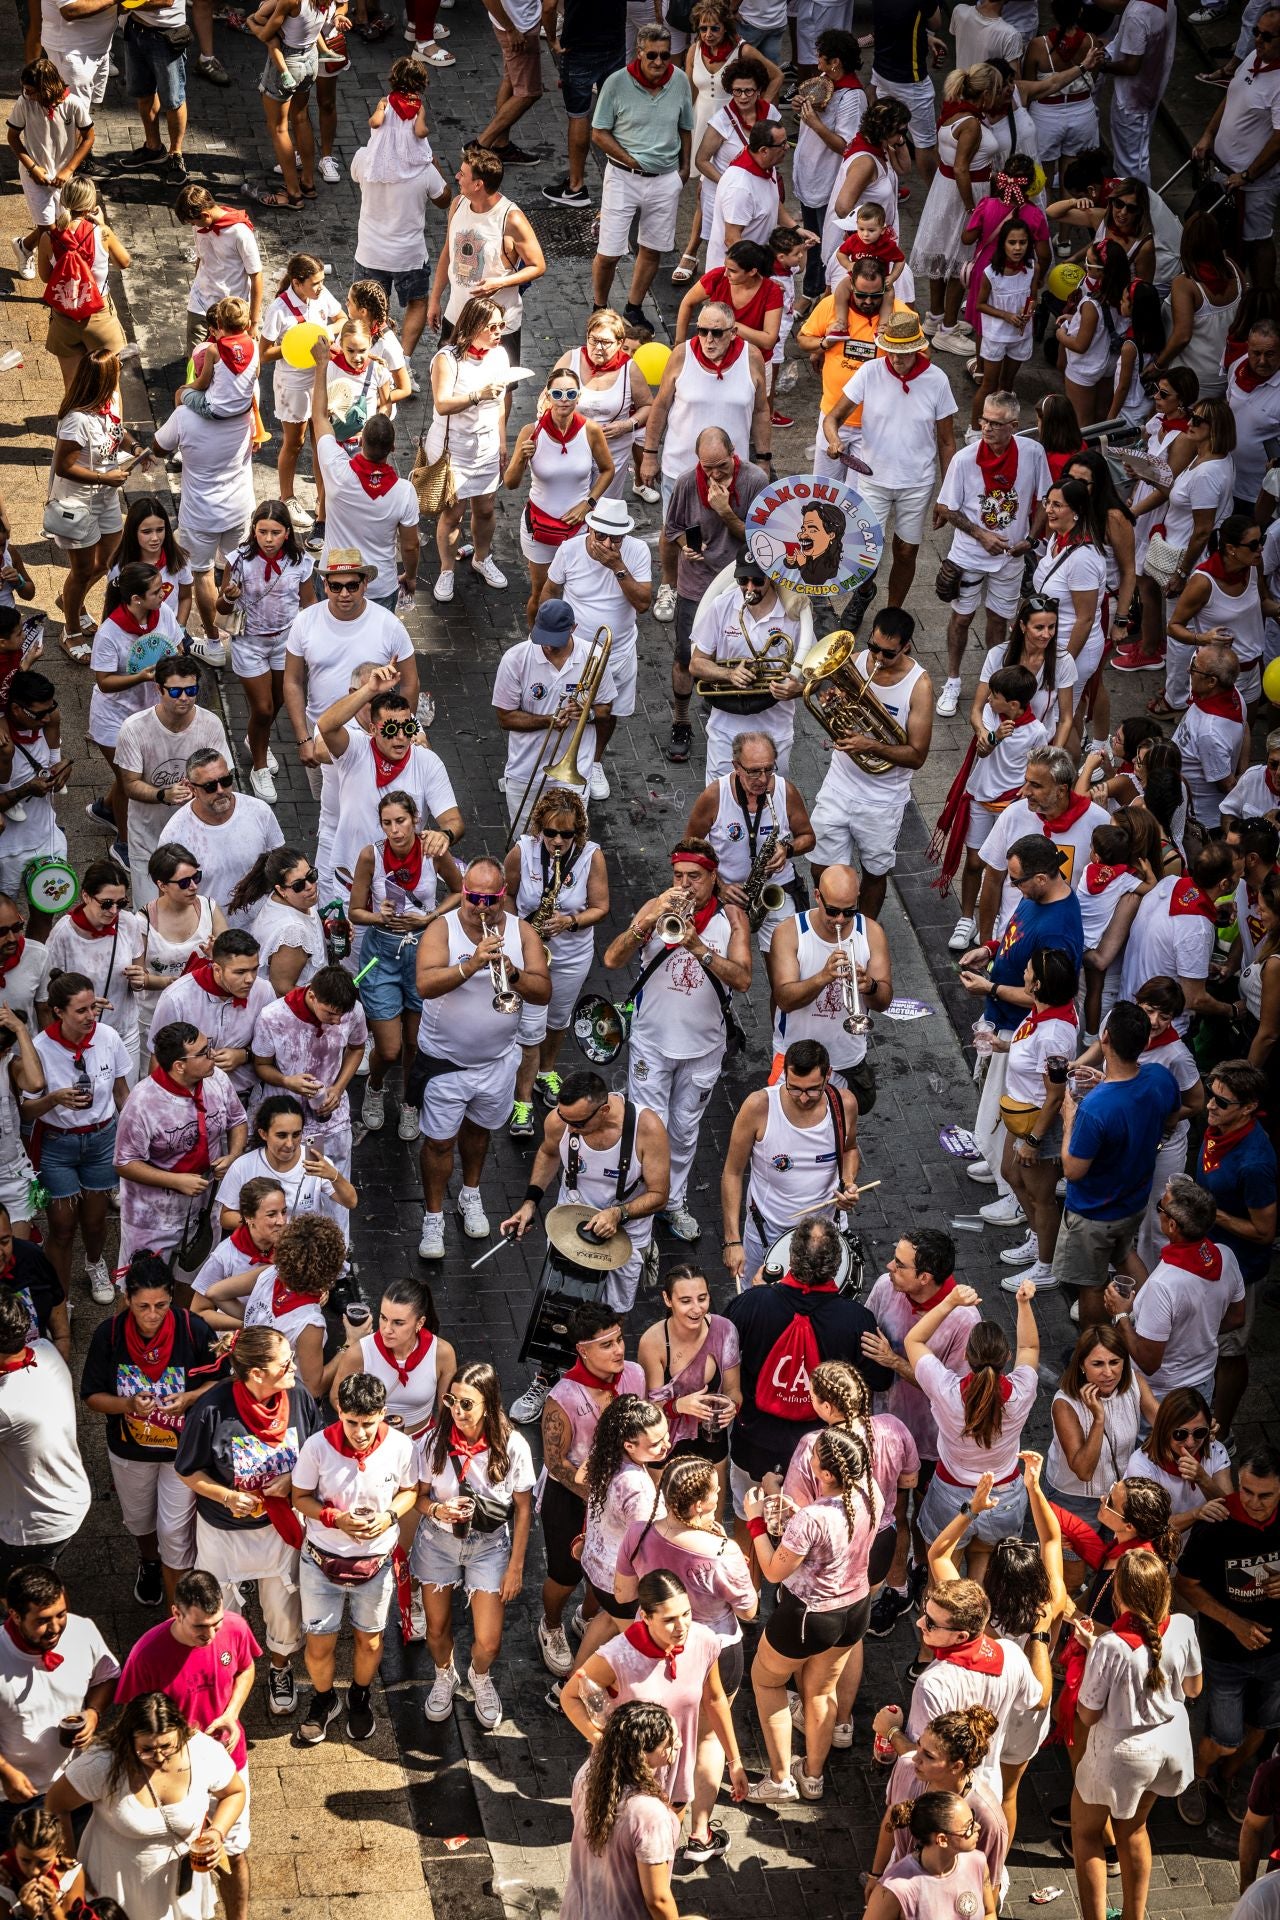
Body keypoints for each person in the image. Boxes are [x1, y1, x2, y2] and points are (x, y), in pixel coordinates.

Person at [601, 839, 752, 1242]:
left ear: (713, 877)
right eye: (679, 876)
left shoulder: (731, 918)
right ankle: (640, 1204)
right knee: (650, 1127)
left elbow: (743, 978)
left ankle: (673, 1201)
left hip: (704, 1048)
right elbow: (612, 960)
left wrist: (699, 948)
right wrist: (646, 923)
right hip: (652, 1042)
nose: (685, 885)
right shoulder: (656, 907)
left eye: (695, 878)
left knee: (685, 1131)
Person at [175, 1324, 324, 1717]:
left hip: (280, 1528)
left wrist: (292, 1480)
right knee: (220, 1606)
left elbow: (317, 1452)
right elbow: (187, 1470)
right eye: (285, 1361)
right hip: (223, 1531)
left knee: (282, 1603)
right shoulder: (212, 1409)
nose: (294, 1366)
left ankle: (279, 1668)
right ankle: (228, 1672)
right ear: (257, 1374)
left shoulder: (300, 1397)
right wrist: (227, 1496)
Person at [413, 855, 551, 1260]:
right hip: (445, 1063)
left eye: (489, 899)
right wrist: (471, 964)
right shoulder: (444, 929)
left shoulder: (522, 932)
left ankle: (471, 1193)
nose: (480, 907)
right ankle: (433, 1216)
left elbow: (544, 991)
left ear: (503, 895)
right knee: (439, 1143)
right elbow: (424, 984)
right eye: (472, 897)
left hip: (496, 1062)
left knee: (479, 1132)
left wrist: (516, 975)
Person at [725, 1219, 893, 1549]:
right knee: (809, 1530)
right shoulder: (857, 1321)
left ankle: (750, 1591)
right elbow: (880, 1379)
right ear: (836, 1265)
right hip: (821, 1451)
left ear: (790, 1257)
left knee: (749, 1516)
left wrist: (759, 1291)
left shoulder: (750, 1305)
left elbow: (723, 1359)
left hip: (753, 1440)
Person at [741, 1427, 881, 1801]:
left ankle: (780, 1778)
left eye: (815, 1455)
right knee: (820, 1692)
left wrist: (755, 1520)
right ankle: (813, 1777)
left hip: (809, 1615)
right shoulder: (871, 1492)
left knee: (767, 1681)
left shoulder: (813, 1519)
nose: (809, 1458)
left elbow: (772, 1572)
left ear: (827, 1474)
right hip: (855, 1609)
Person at [114, 1569, 260, 1920]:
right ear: (175, 1613)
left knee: (233, 1851)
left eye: (216, 1623)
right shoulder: (147, 1654)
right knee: (174, 1855)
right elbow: (131, 1718)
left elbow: (245, 1667)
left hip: (228, 1763)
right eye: (200, 1627)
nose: (211, 1635)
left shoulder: (236, 1628)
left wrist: (232, 1713)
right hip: (174, 1775)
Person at [80, 1250, 217, 1606]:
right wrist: (127, 1405)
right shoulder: (108, 1335)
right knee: (139, 1520)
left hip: (181, 1454)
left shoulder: (193, 1329)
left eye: (161, 1305)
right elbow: (92, 1395)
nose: (152, 1315)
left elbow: (220, 1383)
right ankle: (149, 1561)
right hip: (129, 1451)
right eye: (143, 1306)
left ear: (173, 1297)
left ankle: (179, 1608)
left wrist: (188, 1398)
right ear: (127, 1300)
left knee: (175, 1530)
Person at [1071, 1548, 1201, 1920]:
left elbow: (1089, 1713)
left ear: (1119, 1595)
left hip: (1120, 1753)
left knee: (1086, 1832)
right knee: (1134, 1829)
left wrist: (1094, 1652)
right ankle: (1134, 1916)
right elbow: (1193, 1689)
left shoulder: (1111, 1645)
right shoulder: (1183, 1627)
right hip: (1169, 1745)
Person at [290, 1369, 417, 1744]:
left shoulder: (401, 1447)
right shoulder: (316, 1447)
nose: (360, 1432)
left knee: (371, 1641)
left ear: (382, 1413)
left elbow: (410, 1490)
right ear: (339, 1413)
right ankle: (325, 1698)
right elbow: (299, 1498)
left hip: (375, 1566)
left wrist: (390, 1516)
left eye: (368, 1423)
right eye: (351, 1422)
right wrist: (335, 1519)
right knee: (319, 1645)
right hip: (320, 1561)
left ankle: (359, 1696)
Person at [561, 1568, 748, 1816]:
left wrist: (735, 1763)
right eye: (669, 1620)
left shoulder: (704, 1642)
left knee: (665, 1847)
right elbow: (569, 1696)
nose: (682, 1626)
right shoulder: (617, 1657)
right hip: (626, 1780)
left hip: (676, 1777)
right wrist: (602, 1742)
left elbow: (715, 1700)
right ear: (645, 1617)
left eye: (686, 1614)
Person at [47, 1692, 246, 1920]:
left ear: (181, 1731)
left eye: (167, 1746)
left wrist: (217, 1832)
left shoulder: (202, 1751)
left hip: (182, 1885)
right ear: (128, 1739)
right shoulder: (103, 1764)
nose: (159, 1758)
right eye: (147, 1749)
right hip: (119, 1886)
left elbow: (234, 1792)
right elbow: (55, 1804)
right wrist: (70, 1867)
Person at [412, 1361, 534, 1730]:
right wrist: (438, 1509)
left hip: (490, 1545)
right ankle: (444, 1674)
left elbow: (524, 1510)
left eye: (468, 1404)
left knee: (490, 1641)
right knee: (435, 1630)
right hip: (437, 1541)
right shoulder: (433, 1442)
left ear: (489, 1404)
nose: (458, 1411)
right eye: (452, 1401)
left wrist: (515, 1566)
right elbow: (416, 1497)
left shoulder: (512, 1445)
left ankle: (479, 1676)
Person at [526, 1302, 646, 1665]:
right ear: (583, 1350)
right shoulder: (562, 1398)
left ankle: (589, 1616)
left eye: (620, 1339)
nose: (619, 1350)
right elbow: (556, 1462)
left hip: (619, 1493)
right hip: (572, 1495)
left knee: (610, 1570)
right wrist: (596, 1497)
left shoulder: (635, 1375)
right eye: (607, 1344)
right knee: (565, 1574)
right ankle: (550, 1625)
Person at [501, 1071, 669, 1315]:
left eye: (578, 1124)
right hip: (569, 1226)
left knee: (612, 1316)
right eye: (564, 1119)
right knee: (560, 1308)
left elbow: (659, 1194)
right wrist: (530, 1203)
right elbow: (549, 1153)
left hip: (627, 1234)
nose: (570, 1128)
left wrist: (618, 1213)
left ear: (603, 1110)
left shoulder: (647, 1129)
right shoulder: (561, 1121)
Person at [1054, 1001, 1181, 1319]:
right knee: (1125, 1252)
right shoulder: (1159, 1078)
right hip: (1133, 1201)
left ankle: (1094, 1346)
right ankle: (1159, 1315)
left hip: (1094, 1212)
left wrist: (1069, 1118)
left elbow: (1073, 1170)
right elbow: (1172, 1118)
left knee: (1092, 1285)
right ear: (1145, 1041)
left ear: (1105, 1037)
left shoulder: (1095, 1108)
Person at [1175, 1447, 1280, 1826]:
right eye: (1246, 1490)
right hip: (1225, 1654)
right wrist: (1233, 1622)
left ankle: (1228, 1780)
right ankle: (1198, 1779)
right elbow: (1186, 1584)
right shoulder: (1217, 1524)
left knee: (1262, 1726)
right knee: (1225, 1737)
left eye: (1265, 1495)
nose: (1253, 1502)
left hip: (1276, 1655)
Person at [903, 1281, 1038, 1574]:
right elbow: (1030, 1346)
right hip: (1004, 1496)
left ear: (967, 1357)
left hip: (951, 1494)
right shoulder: (1022, 1391)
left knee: (942, 1580)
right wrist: (1024, 1304)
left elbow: (913, 1341)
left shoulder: (946, 1390)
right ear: (1007, 1358)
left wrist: (950, 1302)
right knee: (984, 1571)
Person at [807, 608, 933, 921]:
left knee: (875, 872)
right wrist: (832, 705)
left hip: (882, 798)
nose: (877, 658)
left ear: (906, 647)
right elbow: (838, 704)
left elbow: (917, 755)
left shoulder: (920, 687)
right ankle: (830, 919)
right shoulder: (857, 661)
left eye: (887, 653)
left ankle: (863, 933)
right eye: (873, 647)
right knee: (821, 864)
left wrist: (871, 745)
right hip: (840, 783)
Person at [933, 393, 1052, 713]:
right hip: (969, 555)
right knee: (961, 618)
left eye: (996, 424)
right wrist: (981, 534)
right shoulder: (964, 459)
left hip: (1010, 558)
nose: (986, 427)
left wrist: (1030, 537)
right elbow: (945, 507)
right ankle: (953, 680)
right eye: (984, 420)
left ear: (1013, 426)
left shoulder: (1032, 453)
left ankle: (995, 682)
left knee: (999, 621)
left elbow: (1045, 498)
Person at [502, 791, 607, 1133]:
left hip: (571, 953)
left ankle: (546, 1071)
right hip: (530, 955)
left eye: (566, 834)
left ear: (578, 833)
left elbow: (600, 907)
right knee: (529, 1026)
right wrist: (519, 934)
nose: (557, 841)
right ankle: (521, 1096)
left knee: (558, 1018)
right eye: (550, 833)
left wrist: (570, 921)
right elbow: (507, 897)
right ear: (539, 829)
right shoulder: (522, 852)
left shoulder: (592, 857)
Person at [660, 433, 769, 760]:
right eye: (707, 468)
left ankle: (718, 701)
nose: (715, 475)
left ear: (734, 454)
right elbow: (673, 528)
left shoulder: (755, 480)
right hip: (696, 583)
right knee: (685, 656)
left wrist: (725, 512)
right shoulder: (686, 482)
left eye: (721, 467)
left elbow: (760, 540)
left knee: (732, 649)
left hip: (740, 583)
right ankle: (681, 720)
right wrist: (686, 548)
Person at [318, 667, 462, 915]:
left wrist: (445, 835)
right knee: (353, 954)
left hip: (401, 895)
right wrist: (369, 690)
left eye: (406, 729)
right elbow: (326, 725)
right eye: (390, 730)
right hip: (352, 888)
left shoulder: (427, 762)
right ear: (373, 730)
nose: (400, 739)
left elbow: (453, 820)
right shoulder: (355, 750)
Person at [282, 548, 418, 808]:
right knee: (328, 807)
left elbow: (410, 682)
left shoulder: (388, 625)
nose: (344, 594)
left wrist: (401, 731)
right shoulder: (305, 622)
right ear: (325, 585)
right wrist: (303, 738)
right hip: (321, 734)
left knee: (377, 806)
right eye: (336, 586)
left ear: (365, 584)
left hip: (374, 738)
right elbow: (292, 681)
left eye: (352, 585)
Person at [720, 1040, 861, 1288]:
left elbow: (849, 1149)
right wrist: (732, 1240)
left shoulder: (844, 1104)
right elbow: (732, 1173)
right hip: (768, 1230)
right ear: (784, 1073)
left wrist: (848, 1183)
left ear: (828, 1075)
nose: (804, 1098)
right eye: (795, 1088)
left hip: (823, 1234)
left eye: (813, 1090)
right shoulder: (759, 1107)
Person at [31, 971, 133, 1309]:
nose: (91, 1016)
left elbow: (121, 1092)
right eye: (81, 1010)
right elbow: (26, 1110)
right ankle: (60, 1298)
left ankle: (95, 1263)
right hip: (57, 1145)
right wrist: (54, 1099)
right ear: (58, 1011)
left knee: (95, 1220)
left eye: (93, 1008)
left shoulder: (107, 1037)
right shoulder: (40, 1048)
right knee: (61, 1226)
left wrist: (134, 1135)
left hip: (102, 1140)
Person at [113, 1020, 247, 1271]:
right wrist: (176, 1181)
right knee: (142, 1290)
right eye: (204, 1052)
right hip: (152, 1218)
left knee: (194, 1282)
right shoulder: (142, 1102)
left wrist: (233, 1156)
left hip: (204, 1210)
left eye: (211, 1047)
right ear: (179, 1066)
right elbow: (124, 1162)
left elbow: (237, 1120)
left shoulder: (217, 1078)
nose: (213, 1055)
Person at [541, 498, 652, 798]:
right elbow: (550, 591)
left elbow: (643, 603)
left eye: (615, 539)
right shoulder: (569, 550)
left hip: (617, 652)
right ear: (589, 529)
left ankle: (596, 761)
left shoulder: (637, 552)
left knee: (606, 713)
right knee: (562, 707)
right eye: (600, 536)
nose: (607, 543)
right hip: (575, 650)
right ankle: (549, 760)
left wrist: (617, 566)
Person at [906, 1578, 1050, 1804]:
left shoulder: (932, 1684)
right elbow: (1039, 1700)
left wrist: (890, 1730)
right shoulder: (1010, 1654)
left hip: (939, 1799)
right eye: (925, 1612)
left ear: (961, 1637)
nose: (920, 1623)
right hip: (988, 1791)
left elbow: (923, 1757)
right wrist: (1040, 1637)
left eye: (931, 1623)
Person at [590, 26, 695, 330]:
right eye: (652, 55)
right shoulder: (616, 83)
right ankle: (599, 307)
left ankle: (634, 308)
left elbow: (686, 126)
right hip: (623, 178)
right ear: (639, 52)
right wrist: (630, 160)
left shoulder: (679, 81)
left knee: (652, 248)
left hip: (665, 178)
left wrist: (684, 169)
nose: (660, 61)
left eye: (664, 55)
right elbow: (598, 132)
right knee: (609, 252)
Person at [684, 728, 815, 968]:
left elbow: (808, 837)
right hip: (727, 893)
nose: (763, 779)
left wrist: (787, 849)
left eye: (768, 769)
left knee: (788, 973)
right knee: (712, 968)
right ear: (736, 766)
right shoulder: (714, 795)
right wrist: (718, 887)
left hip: (775, 889)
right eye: (754, 771)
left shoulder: (785, 791)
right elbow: (687, 850)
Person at [1194, 1062, 1278, 1441]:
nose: (1210, 1105)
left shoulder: (1256, 1163)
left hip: (1238, 1271)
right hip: (1206, 1256)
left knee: (1229, 1351)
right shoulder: (1219, 1128)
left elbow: (1264, 1231)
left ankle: (1221, 1430)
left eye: (1222, 1102)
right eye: (1211, 1094)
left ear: (1248, 1107)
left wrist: (1212, 1213)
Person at [1108, 1175, 1246, 1404]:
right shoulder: (1226, 1256)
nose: (1158, 1210)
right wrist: (1196, 1337)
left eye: (1160, 1207)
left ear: (1172, 1225)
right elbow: (1236, 1317)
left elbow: (1148, 1362)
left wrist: (1120, 1314)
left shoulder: (1163, 1285)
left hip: (1161, 1395)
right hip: (1202, 1383)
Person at [0, 1566, 117, 1827]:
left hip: (77, 1780)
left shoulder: (82, 1630)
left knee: (76, 1862)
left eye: (61, 1615)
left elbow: (107, 1676)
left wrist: (94, 1713)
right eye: (42, 1621)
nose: (55, 1628)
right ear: (15, 1616)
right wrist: (5, 1771)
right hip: (17, 1797)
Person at [987, 948, 1077, 1286]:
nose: (1022, 972)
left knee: (1041, 1195)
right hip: (1022, 1113)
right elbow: (1034, 1051)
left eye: (1027, 969)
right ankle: (1040, 1237)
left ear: (1037, 984)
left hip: (1038, 1120)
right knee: (1011, 1172)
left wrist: (1035, 1141)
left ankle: (1047, 1264)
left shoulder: (1055, 1033)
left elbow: (1055, 1096)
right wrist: (1005, 1046)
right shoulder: (1044, 1012)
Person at [308, 349, 421, 611]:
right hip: (379, 586)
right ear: (393, 448)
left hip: (334, 579)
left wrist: (321, 365)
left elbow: (320, 418)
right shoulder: (404, 492)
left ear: (361, 441)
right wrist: (411, 576)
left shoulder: (336, 469)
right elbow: (410, 545)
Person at [769, 865, 893, 1104]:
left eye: (849, 912)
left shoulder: (872, 933)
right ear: (817, 897)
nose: (840, 920)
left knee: (839, 1133)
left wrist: (870, 986)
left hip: (846, 1059)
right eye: (833, 911)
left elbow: (884, 1000)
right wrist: (822, 977)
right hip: (795, 1059)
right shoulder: (790, 933)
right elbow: (784, 999)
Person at [492, 601, 618, 834]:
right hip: (525, 770)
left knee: (569, 841)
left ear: (573, 628)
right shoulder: (515, 659)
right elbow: (505, 717)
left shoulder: (595, 656)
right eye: (543, 637)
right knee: (525, 840)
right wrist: (548, 720)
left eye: (555, 640)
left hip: (573, 771)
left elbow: (606, 709)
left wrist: (586, 713)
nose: (548, 646)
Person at [114, 656, 229, 909]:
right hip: (148, 840)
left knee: (195, 913)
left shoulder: (210, 725)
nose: (184, 698)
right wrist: (163, 795)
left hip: (195, 838)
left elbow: (223, 780)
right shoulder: (134, 728)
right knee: (149, 915)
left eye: (191, 690)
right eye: (175, 691)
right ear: (159, 689)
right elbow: (130, 784)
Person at [46, 351, 140, 653]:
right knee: (83, 570)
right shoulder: (76, 420)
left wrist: (136, 447)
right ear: (104, 377)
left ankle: (69, 601)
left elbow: (116, 431)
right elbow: (64, 466)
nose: (121, 371)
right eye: (117, 368)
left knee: (109, 560)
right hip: (79, 504)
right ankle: (71, 629)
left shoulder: (109, 400)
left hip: (106, 498)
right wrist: (104, 478)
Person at [505, 369, 615, 624]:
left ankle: (570, 643)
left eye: (570, 393)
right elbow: (510, 484)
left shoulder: (591, 431)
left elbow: (608, 470)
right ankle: (535, 644)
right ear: (548, 396)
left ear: (579, 397)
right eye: (557, 393)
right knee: (541, 593)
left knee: (578, 590)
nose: (564, 399)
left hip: (578, 528)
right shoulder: (531, 432)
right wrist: (522, 456)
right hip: (540, 527)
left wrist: (588, 503)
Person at [641, 302, 772, 512]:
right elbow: (661, 407)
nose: (709, 340)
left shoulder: (752, 357)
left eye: (717, 333)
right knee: (677, 538)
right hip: (680, 471)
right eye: (702, 331)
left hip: (731, 475)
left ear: (733, 333)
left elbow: (761, 411)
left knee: (729, 538)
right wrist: (649, 455)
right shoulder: (682, 355)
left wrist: (764, 459)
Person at [558, 1700, 682, 1920]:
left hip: (579, 1909)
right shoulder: (649, 1815)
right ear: (642, 1754)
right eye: (670, 1743)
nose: (679, 1745)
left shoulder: (589, 1774)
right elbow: (658, 1900)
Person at [688, 556, 806, 784]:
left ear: (771, 578)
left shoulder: (794, 614)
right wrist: (729, 674)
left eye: (757, 581)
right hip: (726, 729)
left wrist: (798, 689)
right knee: (720, 798)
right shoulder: (722, 605)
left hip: (775, 729)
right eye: (743, 580)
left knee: (771, 795)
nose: (749, 588)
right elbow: (696, 663)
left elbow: (815, 673)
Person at [1191, 13, 1280, 291]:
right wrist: (1208, 134)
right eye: (1257, 31)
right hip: (1224, 172)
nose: (1258, 39)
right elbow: (1231, 96)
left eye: (1267, 36)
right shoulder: (1254, 58)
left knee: (1257, 240)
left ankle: (1264, 299)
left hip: (1252, 183)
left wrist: (1248, 174)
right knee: (1222, 238)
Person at [155, 750, 284, 925]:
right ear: (193, 789)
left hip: (264, 925)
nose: (220, 790)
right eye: (210, 787)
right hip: (212, 936)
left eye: (226, 781)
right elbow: (168, 898)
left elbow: (281, 866)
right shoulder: (175, 835)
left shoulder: (259, 811)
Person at [1045, 1325, 1154, 1526]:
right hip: (1074, 1500)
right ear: (1082, 1365)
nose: (1108, 1372)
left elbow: (1163, 1420)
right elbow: (1084, 1471)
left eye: (1115, 1362)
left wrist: (1198, 1427)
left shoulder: (1134, 1383)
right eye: (1097, 1364)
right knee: (1076, 1557)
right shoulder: (1065, 1404)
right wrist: (1098, 1419)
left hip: (1119, 1496)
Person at [215, 1092, 357, 1234]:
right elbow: (226, 1217)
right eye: (281, 1135)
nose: (290, 1144)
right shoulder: (243, 1166)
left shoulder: (317, 1163)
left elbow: (351, 1201)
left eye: (296, 1135)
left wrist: (333, 1175)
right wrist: (262, 1224)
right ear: (263, 1134)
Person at [549, 310, 653, 502]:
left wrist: (627, 425)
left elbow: (648, 406)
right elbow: (547, 396)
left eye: (606, 342)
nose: (598, 347)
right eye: (593, 340)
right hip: (572, 448)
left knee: (603, 508)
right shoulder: (570, 360)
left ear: (620, 343)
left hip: (613, 452)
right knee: (569, 504)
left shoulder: (630, 369)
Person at [866, 1790, 997, 1920]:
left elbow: (989, 1912)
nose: (978, 1827)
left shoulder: (977, 1862)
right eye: (969, 1826)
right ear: (942, 1840)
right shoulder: (895, 1890)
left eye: (973, 1817)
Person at [1125, 1389, 1233, 1538]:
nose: (1190, 1443)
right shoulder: (1141, 1466)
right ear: (1164, 1430)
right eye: (1180, 1434)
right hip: (1160, 1553)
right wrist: (1195, 1514)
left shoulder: (1215, 1450)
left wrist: (1203, 1479)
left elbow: (1232, 1512)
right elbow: (1149, 1529)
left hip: (1200, 1546)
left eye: (1199, 1432)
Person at [1226, 323, 1280, 517]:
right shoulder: (1237, 368)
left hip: (1262, 495)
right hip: (1228, 482)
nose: (1262, 361)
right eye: (1256, 353)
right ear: (1247, 347)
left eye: (1270, 354)